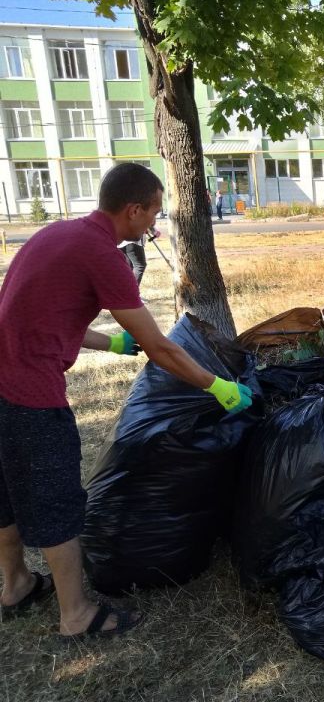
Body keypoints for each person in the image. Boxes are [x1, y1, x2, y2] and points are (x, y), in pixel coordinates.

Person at [0, 163, 253, 640]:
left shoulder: (58, 234)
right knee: (54, 500)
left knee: (6, 493)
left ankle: (15, 585)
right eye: (154, 212)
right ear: (133, 209)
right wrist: (216, 386)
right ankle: (75, 616)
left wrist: (110, 344)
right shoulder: (103, 254)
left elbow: (42, 316)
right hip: (28, 394)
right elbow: (161, 348)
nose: (154, 223)